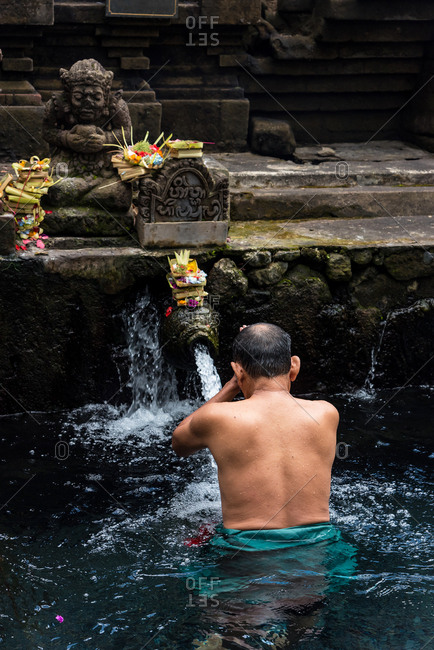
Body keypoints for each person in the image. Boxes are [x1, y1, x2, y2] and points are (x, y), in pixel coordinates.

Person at [172, 322, 342, 549]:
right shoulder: (326, 413)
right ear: (294, 366)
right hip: (319, 545)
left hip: (247, 550)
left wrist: (232, 385)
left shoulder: (217, 418)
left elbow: (179, 443)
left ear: (238, 371)